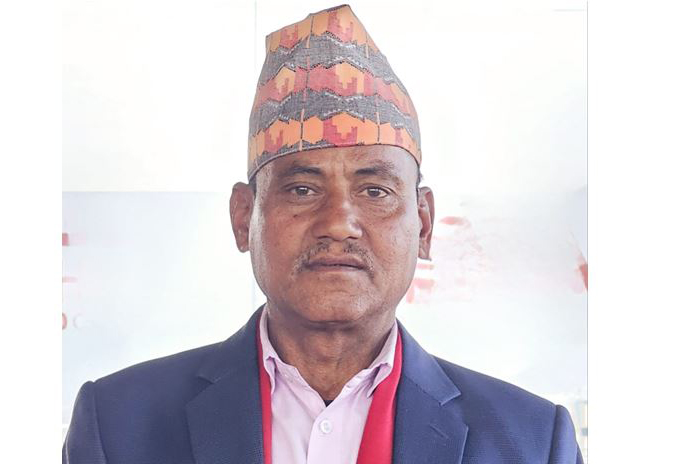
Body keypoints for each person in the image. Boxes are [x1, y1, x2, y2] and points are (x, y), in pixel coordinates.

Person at [63, 4, 583, 463]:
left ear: (423, 224)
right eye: (302, 189)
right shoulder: (119, 425)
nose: (338, 222)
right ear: (244, 217)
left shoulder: (531, 442)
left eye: (375, 190)